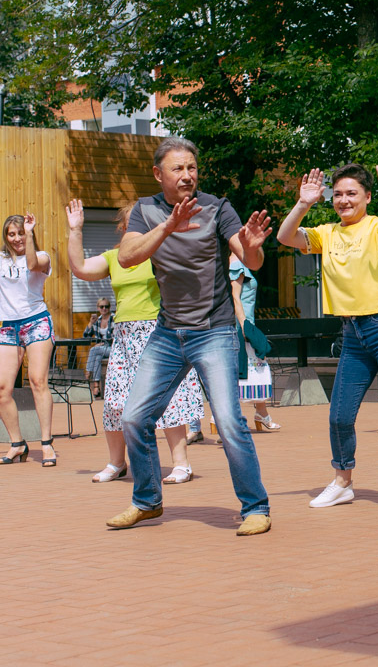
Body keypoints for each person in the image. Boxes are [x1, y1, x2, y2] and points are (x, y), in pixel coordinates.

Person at [105, 136, 272, 536]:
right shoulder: (145, 211)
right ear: (158, 173)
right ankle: (147, 501)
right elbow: (128, 256)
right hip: (167, 332)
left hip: (213, 331)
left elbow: (251, 259)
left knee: (230, 422)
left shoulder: (217, 207)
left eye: (192, 168)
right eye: (178, 168)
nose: (187, 175)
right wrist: (169, 225)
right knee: (133, 417)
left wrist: (251, 247)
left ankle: (256, 508)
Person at [277, 155, 378, 513]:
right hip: (353, 332)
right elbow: (285, 237)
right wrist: (303, 203)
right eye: (337, 194)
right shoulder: (326, 233)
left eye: (351, 193)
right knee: (339, 415)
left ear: (367, 197)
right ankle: (342, 481)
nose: (343, 200)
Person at [66, 199, 205, 485]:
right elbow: (79, 269)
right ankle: (117, 463)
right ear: (124, 227)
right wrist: (76, 230)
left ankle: (181, 464)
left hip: (160, 332)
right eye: (134, 221)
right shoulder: (113, 257)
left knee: (171, 399)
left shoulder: (163, 250)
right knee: (115, 401)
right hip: (125, 337)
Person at [0, 208, 58, 467]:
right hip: (9, 327)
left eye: (20, 233)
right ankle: (17, 444)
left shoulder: (42, 256)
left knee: (37, 381)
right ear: (6, 237)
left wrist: (29, 236)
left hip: (37, 322)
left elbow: (30, 265)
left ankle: (47, 444)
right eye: (12, 234)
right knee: (1, 389)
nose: (16, 238)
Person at [230, 253, 280, 430]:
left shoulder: (241, 263)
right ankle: (223, 418)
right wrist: (244, 326)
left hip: (245, 324)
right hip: (242, 327)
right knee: (253, 369)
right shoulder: (236, 263)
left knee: (256, 370)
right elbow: (234, 297)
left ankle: (261, 414)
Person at [82, 299, 113, 398]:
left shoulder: (114, 319)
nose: (104, 309)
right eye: (102, 307)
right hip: (101, 350)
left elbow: (116, 337)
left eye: (106, 306)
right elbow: (86, 336)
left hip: (113, 348)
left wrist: (102, 343)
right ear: (98, 308)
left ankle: (88, 372)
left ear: (109, 307)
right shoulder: (98, 320)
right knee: (97, 357)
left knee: (93, 350)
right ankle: (96, 386)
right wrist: (91, 323)